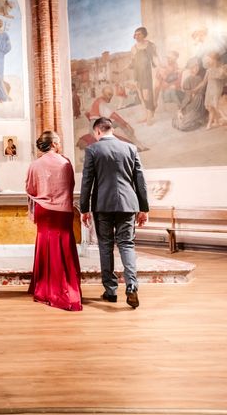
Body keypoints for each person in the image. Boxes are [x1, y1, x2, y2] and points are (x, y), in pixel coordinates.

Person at [80, 117, 149, 309]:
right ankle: (131, 286)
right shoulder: (130, 148)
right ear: (110, 129)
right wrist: (144, 208)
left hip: (103, 205)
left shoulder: (93, 149)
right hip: (128, 204)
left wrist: (84, 209)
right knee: (127, 244)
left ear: (98, 132)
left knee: (105, 246)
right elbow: (140, 181)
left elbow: (87, 181)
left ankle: (110, 291)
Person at [26, 131, 82, 311]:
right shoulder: (65, 162)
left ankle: (43, 286)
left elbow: (30, 188)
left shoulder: (35, 165)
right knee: (64, 245)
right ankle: (66, 287)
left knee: (44, 244)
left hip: (44, 211)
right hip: (63, 210)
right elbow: (70, 185)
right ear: (55, 143)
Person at [130, 26, 159, 124]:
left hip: (149, 72)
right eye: (135, 35)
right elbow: (133, 63)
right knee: (141, 96)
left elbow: (155, 58)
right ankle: (147, 115)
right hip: (139, 74)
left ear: (144, 35)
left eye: (139, 34)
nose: (136, 36)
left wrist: (159, 69)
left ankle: (150, 117)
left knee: (147, 95)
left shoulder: (151, 45)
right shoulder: (133, 48)